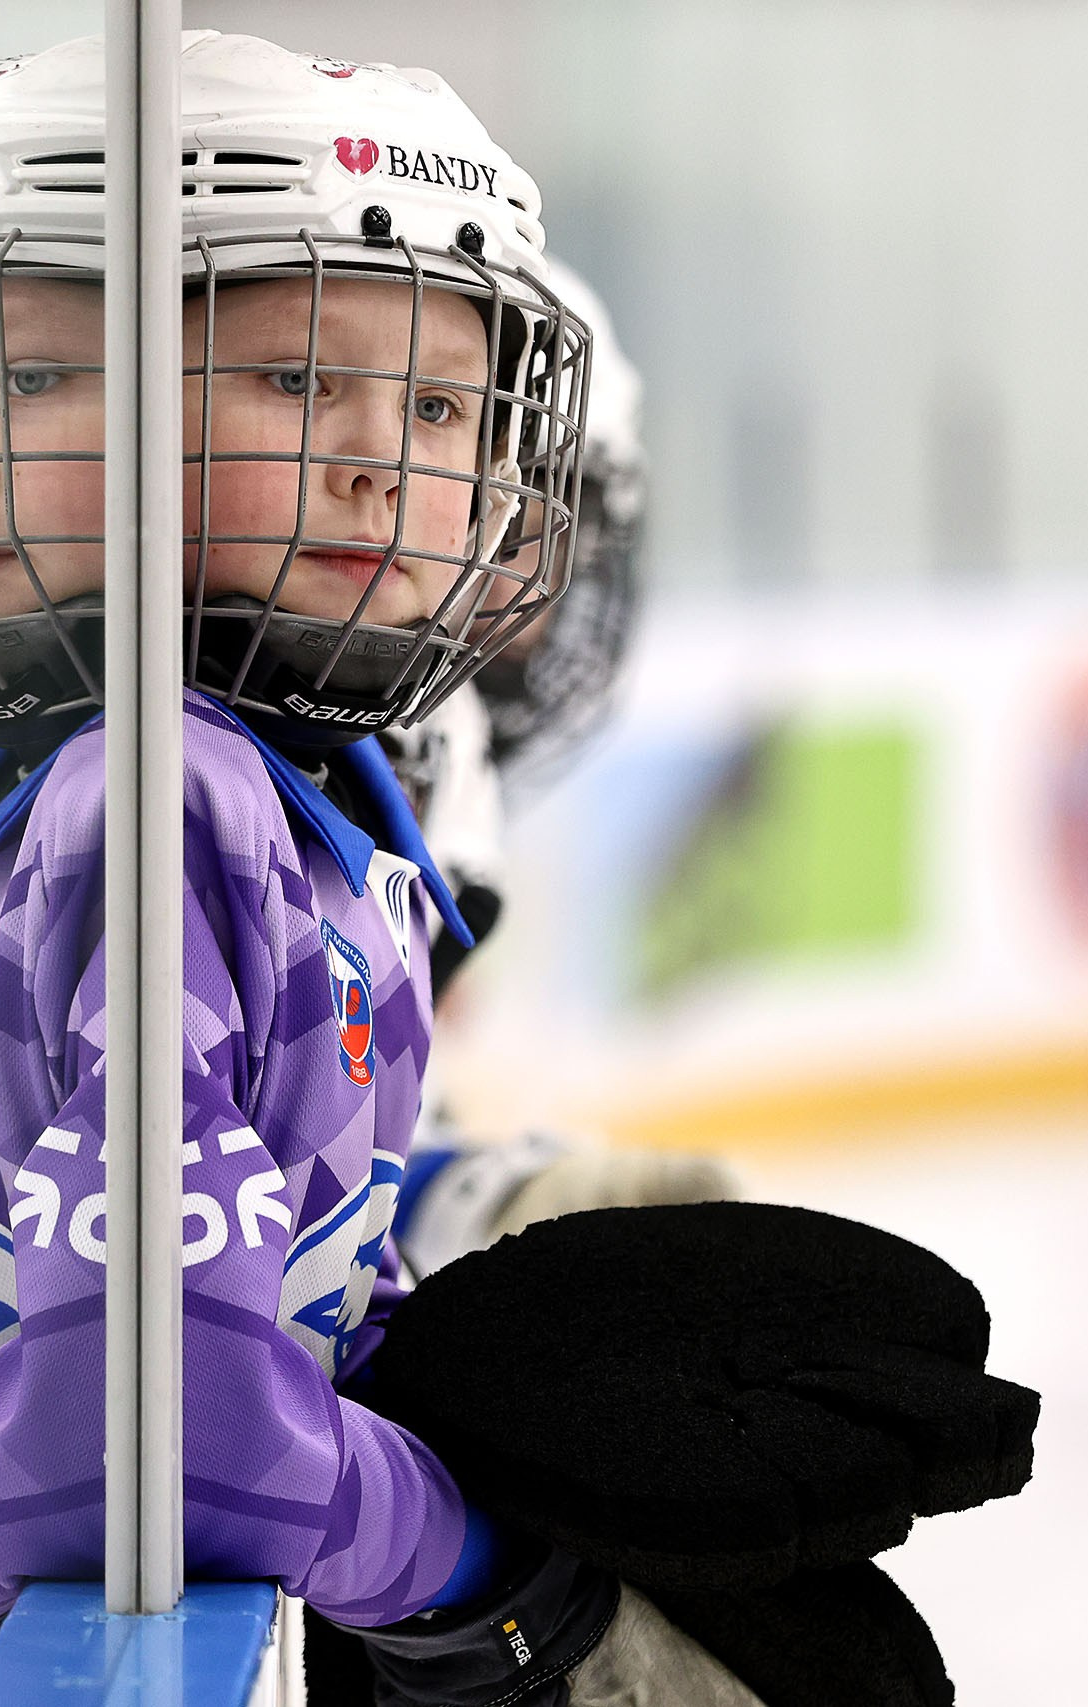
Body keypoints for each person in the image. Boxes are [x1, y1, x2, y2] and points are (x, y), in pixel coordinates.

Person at [0, 28, 758, 1702]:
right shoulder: (167, 804)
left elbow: (250, 1308)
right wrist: (499, 1586)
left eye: (442, 409)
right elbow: (159, 1448)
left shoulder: (228, 794)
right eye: (295, 384)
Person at [385, 259, 744, 1285]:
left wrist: (495, 1195)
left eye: (568, 534)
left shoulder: (432, 759)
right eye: (523, 524)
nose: (546, 583)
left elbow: (343, 1158)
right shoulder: (372, 758)